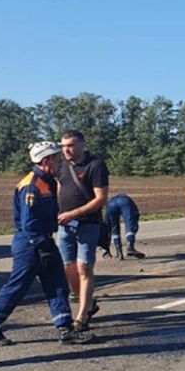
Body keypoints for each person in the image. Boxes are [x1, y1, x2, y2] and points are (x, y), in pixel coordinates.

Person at [0, 142, 92, 346]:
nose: (61, 163)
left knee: (57, 285)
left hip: (44, 241)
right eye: (57, 159)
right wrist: (42, 246)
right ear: (46, 160)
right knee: (18, 285)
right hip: (30, 244)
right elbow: (29, 224)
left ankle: (65, 329)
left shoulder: (48, 181)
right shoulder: (31, 185)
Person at [57, 130, 108, 327]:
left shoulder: (95, 165)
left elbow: (100, 199)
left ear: (82, 145)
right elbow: (59, 189)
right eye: (63, 146)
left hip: (88, 224)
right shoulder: (61, 166)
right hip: (65, 226)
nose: (66, 150)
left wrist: (74, 214)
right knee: (67, 268)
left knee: (84, 268)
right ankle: (88, 304)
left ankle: (82, 317)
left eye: (70, 145)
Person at [101, 194, 145, 260]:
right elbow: (133, 218)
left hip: (111, 203)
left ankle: (119, 253)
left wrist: (106, 251)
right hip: (125, 201)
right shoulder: (128, 201)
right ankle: (130, 246)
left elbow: (107, 228)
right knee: (130, 223)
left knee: (114, 227)